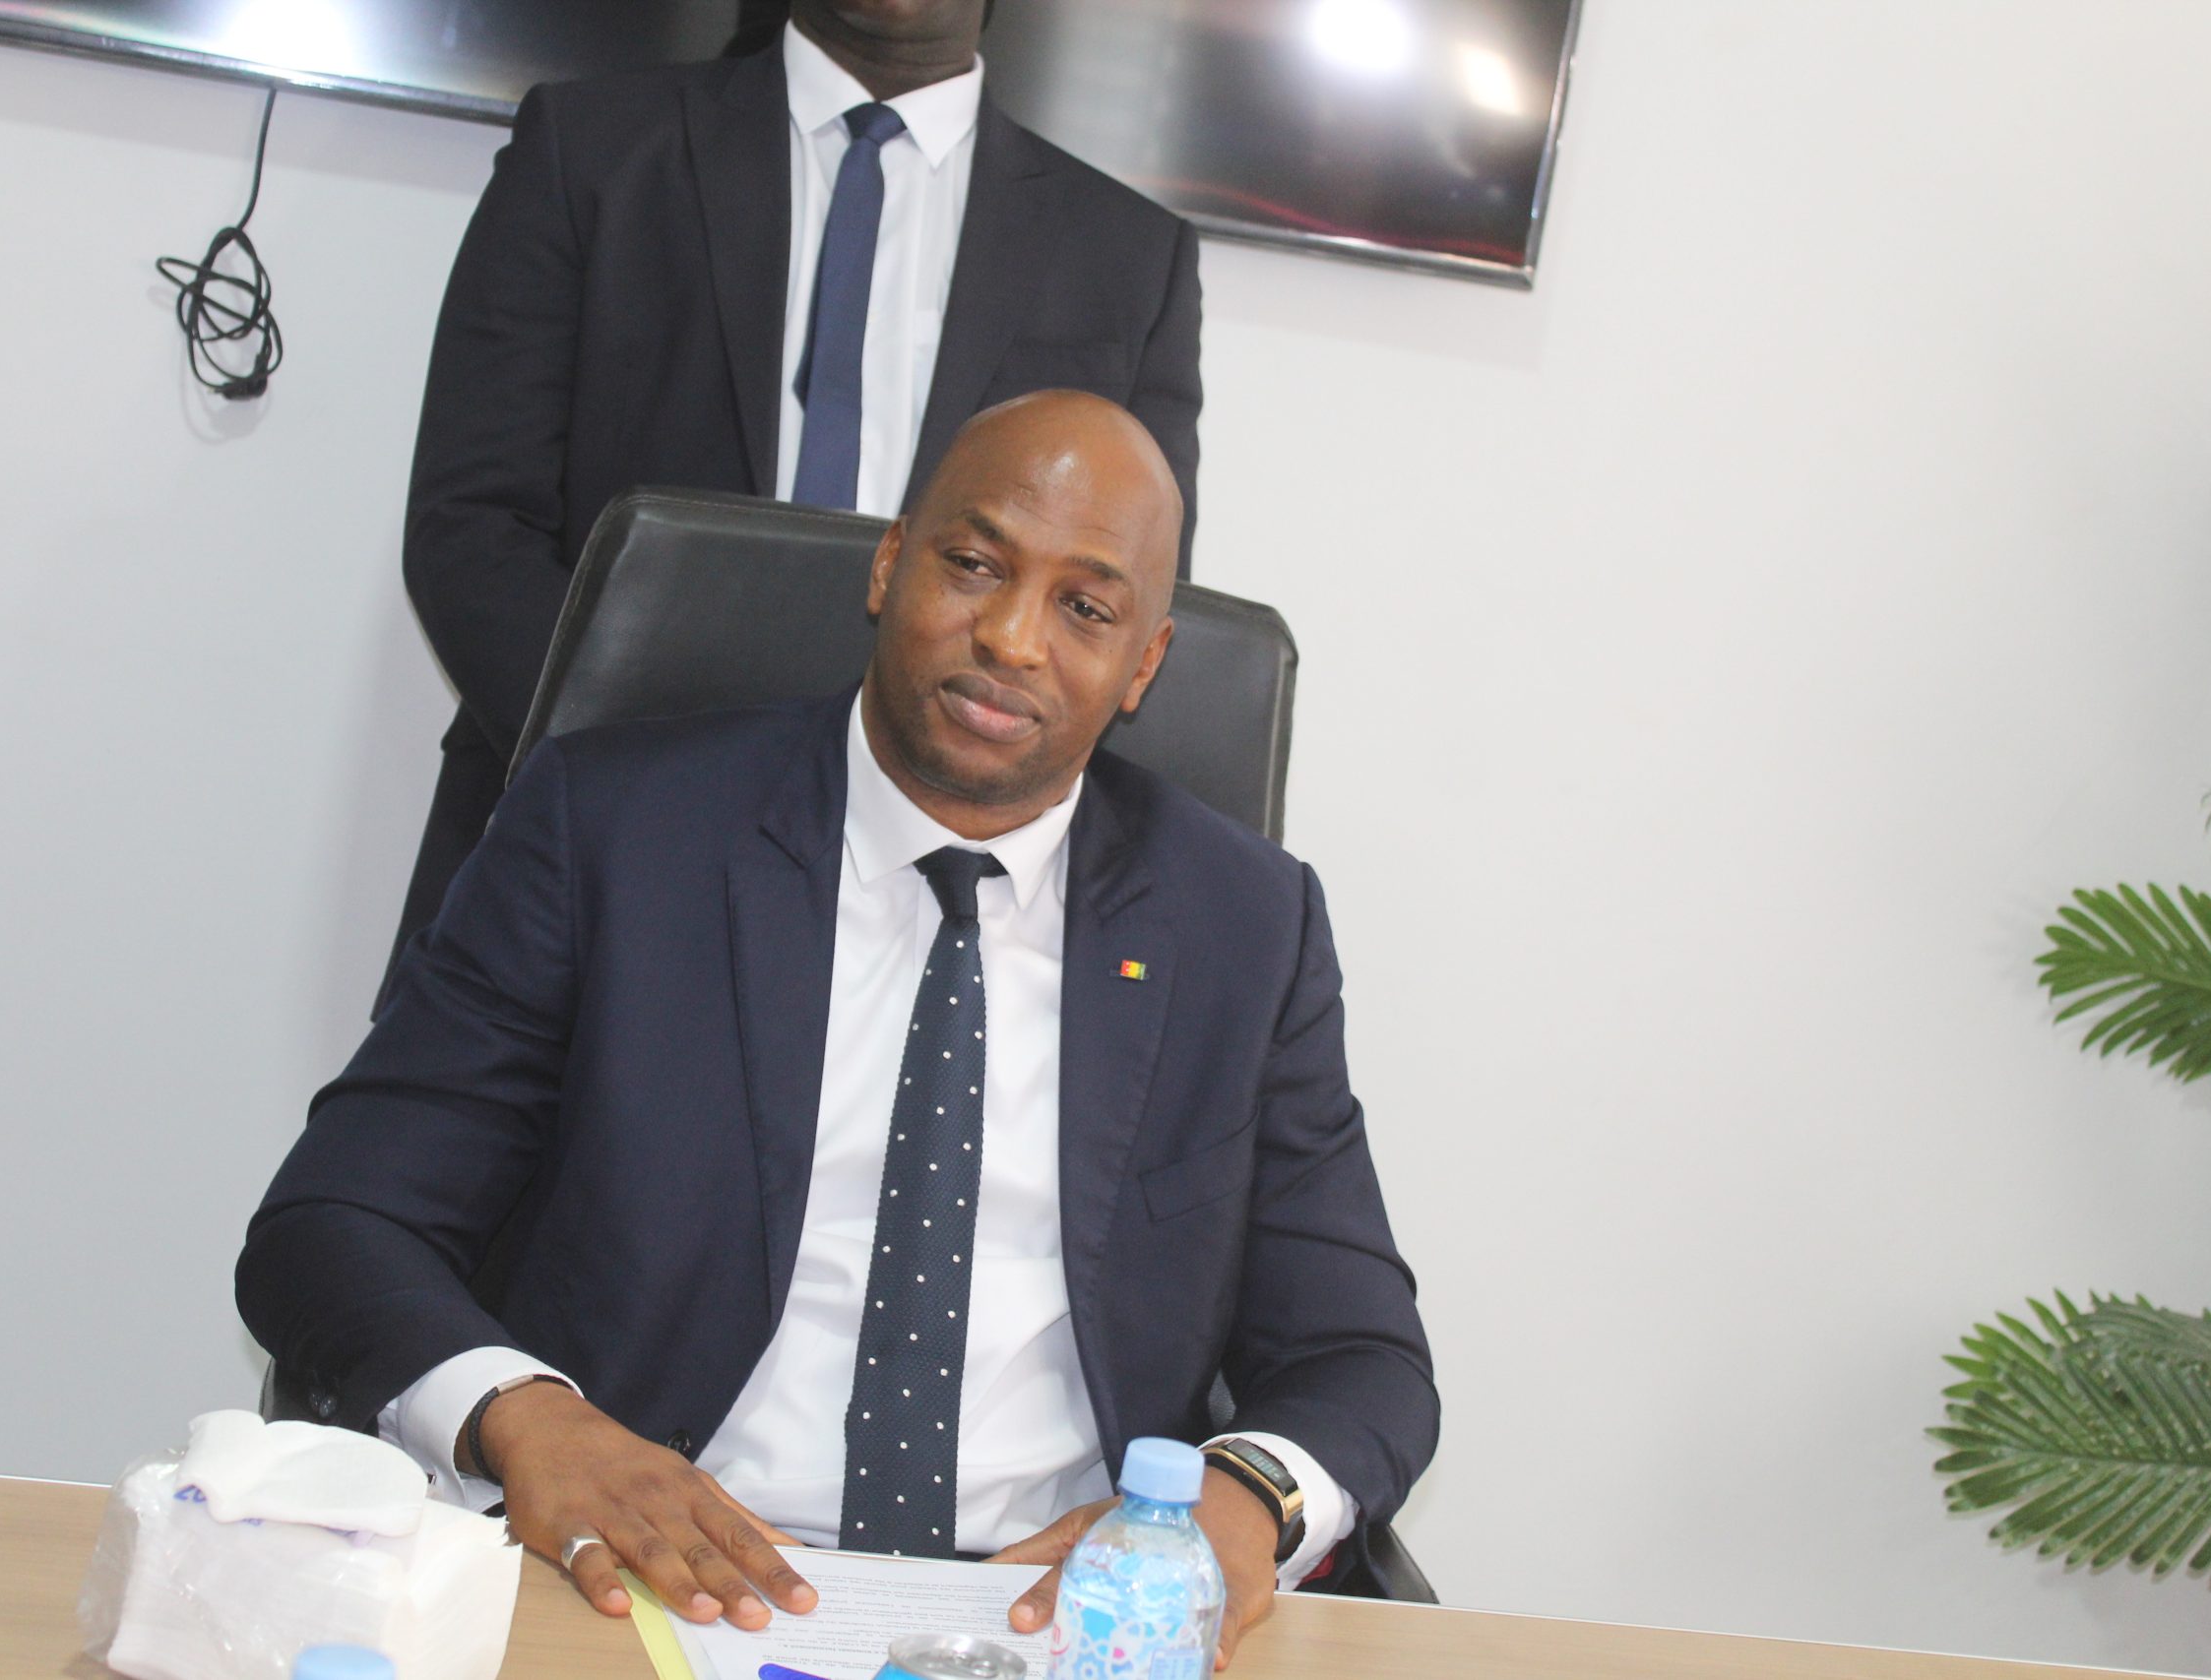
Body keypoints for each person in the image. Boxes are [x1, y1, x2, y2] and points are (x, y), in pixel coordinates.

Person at [244, 393, 1428, 1666]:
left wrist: (1239, 1500)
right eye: (972, 564)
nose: (1012, 638)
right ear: (889, 563)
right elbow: (334, 1224)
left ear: (1145, 665)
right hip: (652, 1586)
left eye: (1087, 608)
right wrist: (527, 1417)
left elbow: (1360, 1357)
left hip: (1047, 1622)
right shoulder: (615, 834)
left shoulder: (1242, 925)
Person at [389, 0, 1204, 996]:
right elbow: (471, 530)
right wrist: (652, 803)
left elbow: (1117, 604)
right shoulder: (589, 147)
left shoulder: (1130, 254)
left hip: (928, 910)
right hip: (578, 873)